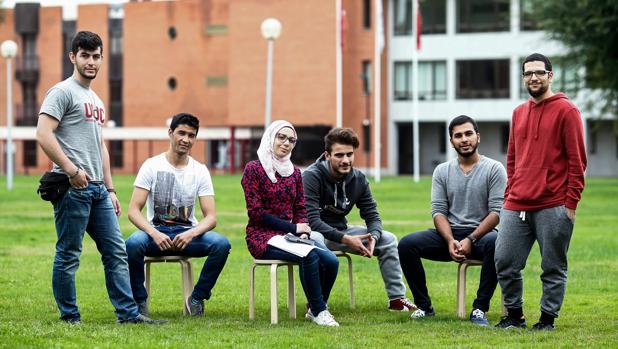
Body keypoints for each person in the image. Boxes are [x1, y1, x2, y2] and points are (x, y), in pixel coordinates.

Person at [36, 31, 165, 324]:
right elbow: (43, 134)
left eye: (96, 56)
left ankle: (128, 314)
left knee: (116, 252)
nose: (91, 62)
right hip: (72, 188)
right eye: (85, 55)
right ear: (73, 57)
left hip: (97, 190)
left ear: (102, 58)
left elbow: (100, 145)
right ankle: (70, 317)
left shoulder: (96, 99)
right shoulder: (62, 92)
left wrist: (110, 189)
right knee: (69, 255)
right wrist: (71, 170)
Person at [494, 53, 587, 331]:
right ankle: (515, 316)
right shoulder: (518, 113)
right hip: (516, 203)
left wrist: (570, 205)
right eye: (527, 73)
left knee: (553, 266)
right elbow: (512, 158)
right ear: (523, 78)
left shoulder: (567, 111)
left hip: (553, 204)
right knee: (505, 260)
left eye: (539, 72)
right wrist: (510, 193)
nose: (533, 77)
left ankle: (547, 319)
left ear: (550, 75)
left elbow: (577, 161)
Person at [398, 115, 507, 326]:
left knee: (498, 243)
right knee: (406, 245)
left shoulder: (494, 169)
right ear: (451, 141)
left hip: (482, 235)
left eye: (468, 134)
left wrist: (471, 239)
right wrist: (449, 241)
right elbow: (438, 211)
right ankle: (424, 306)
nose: (464, 139)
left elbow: (496, 212)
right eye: (458, 136)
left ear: (478, 137)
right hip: (448, 235)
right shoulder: (442, 171)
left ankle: (479, 309)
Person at [125, 113, 231, 317]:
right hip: (156, 235)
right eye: (181, 133)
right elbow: (133, 211)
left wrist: (191, 234)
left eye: (191, 135)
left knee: (221, 244)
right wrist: (154, 233)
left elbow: (211, 217)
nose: (186, 139)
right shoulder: (151, 165)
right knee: (132, 244)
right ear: (170, 133)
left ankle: (197, 298)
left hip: (187, 235)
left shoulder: (199, 170)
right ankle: (139, 301)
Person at [303, 127, 415, 312]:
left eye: (349, 154)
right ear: (327, 155)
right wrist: (346, 239)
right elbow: (312, 221)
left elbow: (372, 214)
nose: (346, 160)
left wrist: (374, 237)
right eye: (339, 155)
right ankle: (316, 304)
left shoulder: (359, 179)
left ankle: (396, 299)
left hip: (340, 231)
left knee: (388, 240)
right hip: (313, 234)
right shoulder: (311, 176)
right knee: (316, 239)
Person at [242, 120, 340, 327]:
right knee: (310, 255)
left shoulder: (294, 172)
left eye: (292, 140)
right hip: (262, 237)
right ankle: (319, 311)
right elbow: (256, 213)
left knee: (331, 261)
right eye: (281, 137)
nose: (286, 143)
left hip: (291, 237)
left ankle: (315, 307)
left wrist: (302, 230)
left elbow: (300, 208)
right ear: (270, 137)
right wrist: (294, 228)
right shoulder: (254, 169)